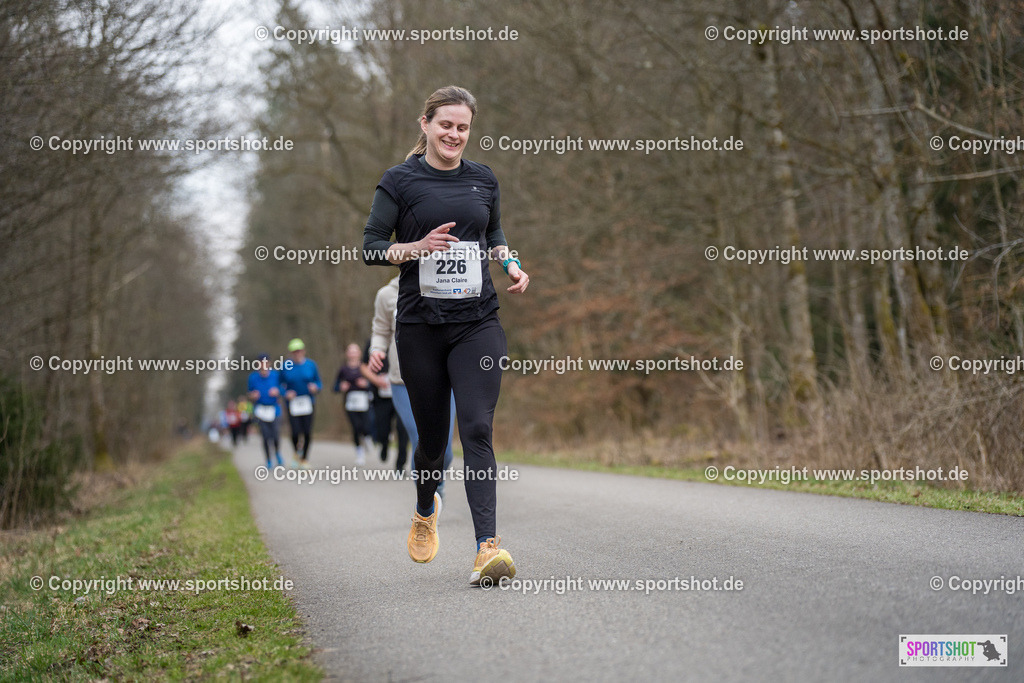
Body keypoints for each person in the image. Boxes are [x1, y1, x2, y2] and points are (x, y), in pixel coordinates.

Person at [362, 85, 529, 586]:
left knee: (477, 428)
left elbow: (494, 234)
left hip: (478, 322)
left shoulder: (483, 179)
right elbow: (371, 247)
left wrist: (511, 263)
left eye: (462, 127)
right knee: (432, 444)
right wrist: (414, 247)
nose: (454, 134)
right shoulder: (399, 181)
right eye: (446, 125)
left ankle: (487, 548)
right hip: (420, 327)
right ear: (426, 124)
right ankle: (423, 508)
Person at [367, 276, 456, 499]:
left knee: (444, 449)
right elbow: (380, 330)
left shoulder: (443, 283)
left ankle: (438, 482)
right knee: (421, 439)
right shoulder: (387, 294)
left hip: (443, 378)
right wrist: (376, 350)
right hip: (402, 381)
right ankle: (427, 500)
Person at [360, 337, 410, 466]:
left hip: (403, 392)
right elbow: (363, 366)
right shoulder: (374, 340)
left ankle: (401, 463)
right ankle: (384, 444)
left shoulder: (406, 336)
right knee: (382, 428)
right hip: (381, 395)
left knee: (402, 428)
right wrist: (376, 380)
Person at [280, 338, 322, 467]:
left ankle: (304, 459)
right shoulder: (285, 366)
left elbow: (319, 382)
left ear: (303, 351)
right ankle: (296, 452)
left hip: (308, 402)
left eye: (299, 351)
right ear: (291, 353)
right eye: (294, 351)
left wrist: (316, 387)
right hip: (293, 403)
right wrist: (285, 393)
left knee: (307, 431)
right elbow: (279, 385)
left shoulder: (311, 365)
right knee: (295, 431)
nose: (297, 353)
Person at [333, 343, 374, 466]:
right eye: (350, 351)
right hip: (350, 403)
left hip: (364, 401)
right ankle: (359, 453)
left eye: (355, 351)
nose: (353, 354)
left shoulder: (364, 368)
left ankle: (367, 438)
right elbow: (335, 387)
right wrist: (341, 387)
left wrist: (366, 384)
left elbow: (373, 385)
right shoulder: (343, 369)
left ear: (359, 353)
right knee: (356, 427)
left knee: (366, 426)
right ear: (347, 354)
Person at [248, 353, 284, 468]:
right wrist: (253, 395)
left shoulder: (276, 375)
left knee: (276, 435)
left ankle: (277, 453)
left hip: (274, 409)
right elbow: (249, 393)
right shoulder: (253, 377)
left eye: (265, 362)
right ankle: (268, 460)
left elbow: (283, 389)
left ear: (269, 363)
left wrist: (277, 391)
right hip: (261, 410)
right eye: (261, 363)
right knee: (265, 436)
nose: (263, 365)